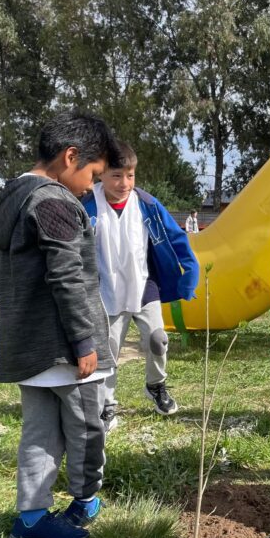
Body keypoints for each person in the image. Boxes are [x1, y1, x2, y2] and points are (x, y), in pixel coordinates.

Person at [0, 111, 119, 538]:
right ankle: (85, 500)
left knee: (39, 431)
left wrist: (13, 306)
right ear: (70, 157)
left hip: (27, 349)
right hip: (64, 349)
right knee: (87, 426)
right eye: (93, 176)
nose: (91, 187)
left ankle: (33, 517)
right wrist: (82, 340)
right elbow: (66, 275)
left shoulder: (14, 194)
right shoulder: (54, 200)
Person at [83, 142, 199, 425]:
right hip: (106, 289)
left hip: (144, 284)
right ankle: (107, 403)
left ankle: (156, 385)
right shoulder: (86, 205)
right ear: (100, 174)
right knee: (109, 349)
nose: (125, 183)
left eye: (130, 175)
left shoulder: (147, 204)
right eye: (116, 176)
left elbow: (176, 237)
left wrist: (190, 273)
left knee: (158, 340)